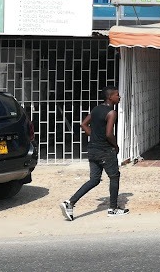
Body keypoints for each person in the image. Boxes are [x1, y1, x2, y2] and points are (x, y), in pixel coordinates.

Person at [60, 86, 129, 220]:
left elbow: (83, 124)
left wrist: (94, 136)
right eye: (117, 95)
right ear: (110, 97)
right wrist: (115, 146)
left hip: (92, 149)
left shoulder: (96, 109)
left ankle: (70, 202)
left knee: (94, 180)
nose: (119, 97)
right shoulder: (111, 113)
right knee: (114, 177)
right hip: (105, 150)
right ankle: (113, 208)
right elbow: (109, 134)